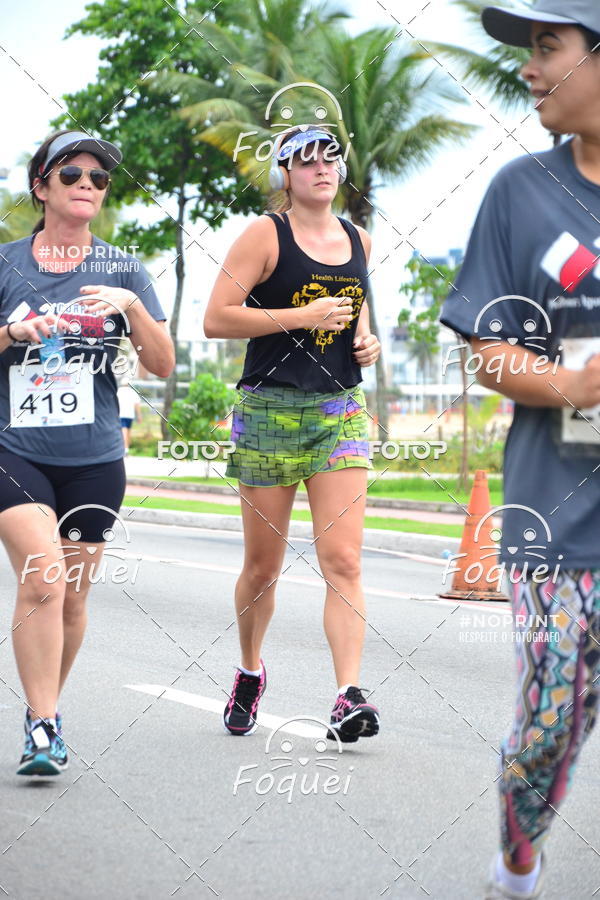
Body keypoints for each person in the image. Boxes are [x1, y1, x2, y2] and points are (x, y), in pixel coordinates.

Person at [441, 3, 600, 896]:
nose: (530, 69)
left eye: (549, 47)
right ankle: (517, 854)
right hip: (557, 518)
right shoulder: (521, 192)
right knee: (548, 727)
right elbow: (487, 346)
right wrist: (565, 385)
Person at [0, 129, 174, 776]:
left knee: (71, 598)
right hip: (12, 448)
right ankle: (43, 727)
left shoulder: (122, 268)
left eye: (98, 179)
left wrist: (133, 309)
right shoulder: (5, 263)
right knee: (43, 576)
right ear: (41, 186)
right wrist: (15, 331)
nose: (87, 186)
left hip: (94, 457)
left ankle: (44, 710)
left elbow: (160, 365)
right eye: (71, 174)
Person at [204, 124, 382, 742]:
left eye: (330, 156)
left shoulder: (358, 237)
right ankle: (250, 670)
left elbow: (355, 322)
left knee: (345, 559)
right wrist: (299, 317)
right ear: (285, 173)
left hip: (338, 411)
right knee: (262, 569)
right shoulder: (264, 234)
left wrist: (367, 343)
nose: (321, 168)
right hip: (269, 413)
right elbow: (216, 318)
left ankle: (347, 695)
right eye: (305, 161)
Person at [118, 377, 142, 454]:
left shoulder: (118, 391)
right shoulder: (133, 392)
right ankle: (126, 449)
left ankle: (124, 450)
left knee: (123, 432)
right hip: (130, 415)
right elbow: (137, 405)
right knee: (128, 432)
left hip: (121, 414)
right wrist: (139, 416)